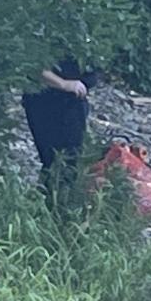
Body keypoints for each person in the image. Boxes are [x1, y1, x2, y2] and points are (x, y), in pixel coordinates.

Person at [22, 58, 97, 206]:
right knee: (58, 163)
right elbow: (32, 64)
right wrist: (63, 84)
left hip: (73, 100)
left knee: (71, 161)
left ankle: (53, 208)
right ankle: (52, 209)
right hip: (49, 101)